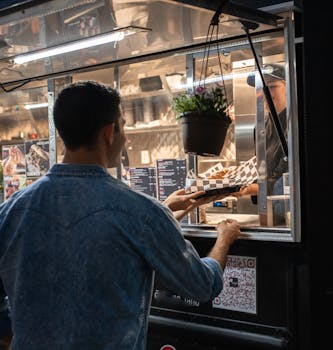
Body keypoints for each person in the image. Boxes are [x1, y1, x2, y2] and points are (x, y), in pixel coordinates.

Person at [0, 80, 241, 349]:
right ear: (109, 132)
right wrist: (225, 237)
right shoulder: (142, 213)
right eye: (123, 125)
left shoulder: (11, 211)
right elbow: (202, 285)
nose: (125, 137)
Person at [240, 63, 289, 225]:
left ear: (287, 87)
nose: (265, 93)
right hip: (267, 209)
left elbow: (287, 170)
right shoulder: (260, 126)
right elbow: (258, 166)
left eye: (272, 86)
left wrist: (253, 188)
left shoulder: (295, 122)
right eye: (261, 88)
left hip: (291, 209)